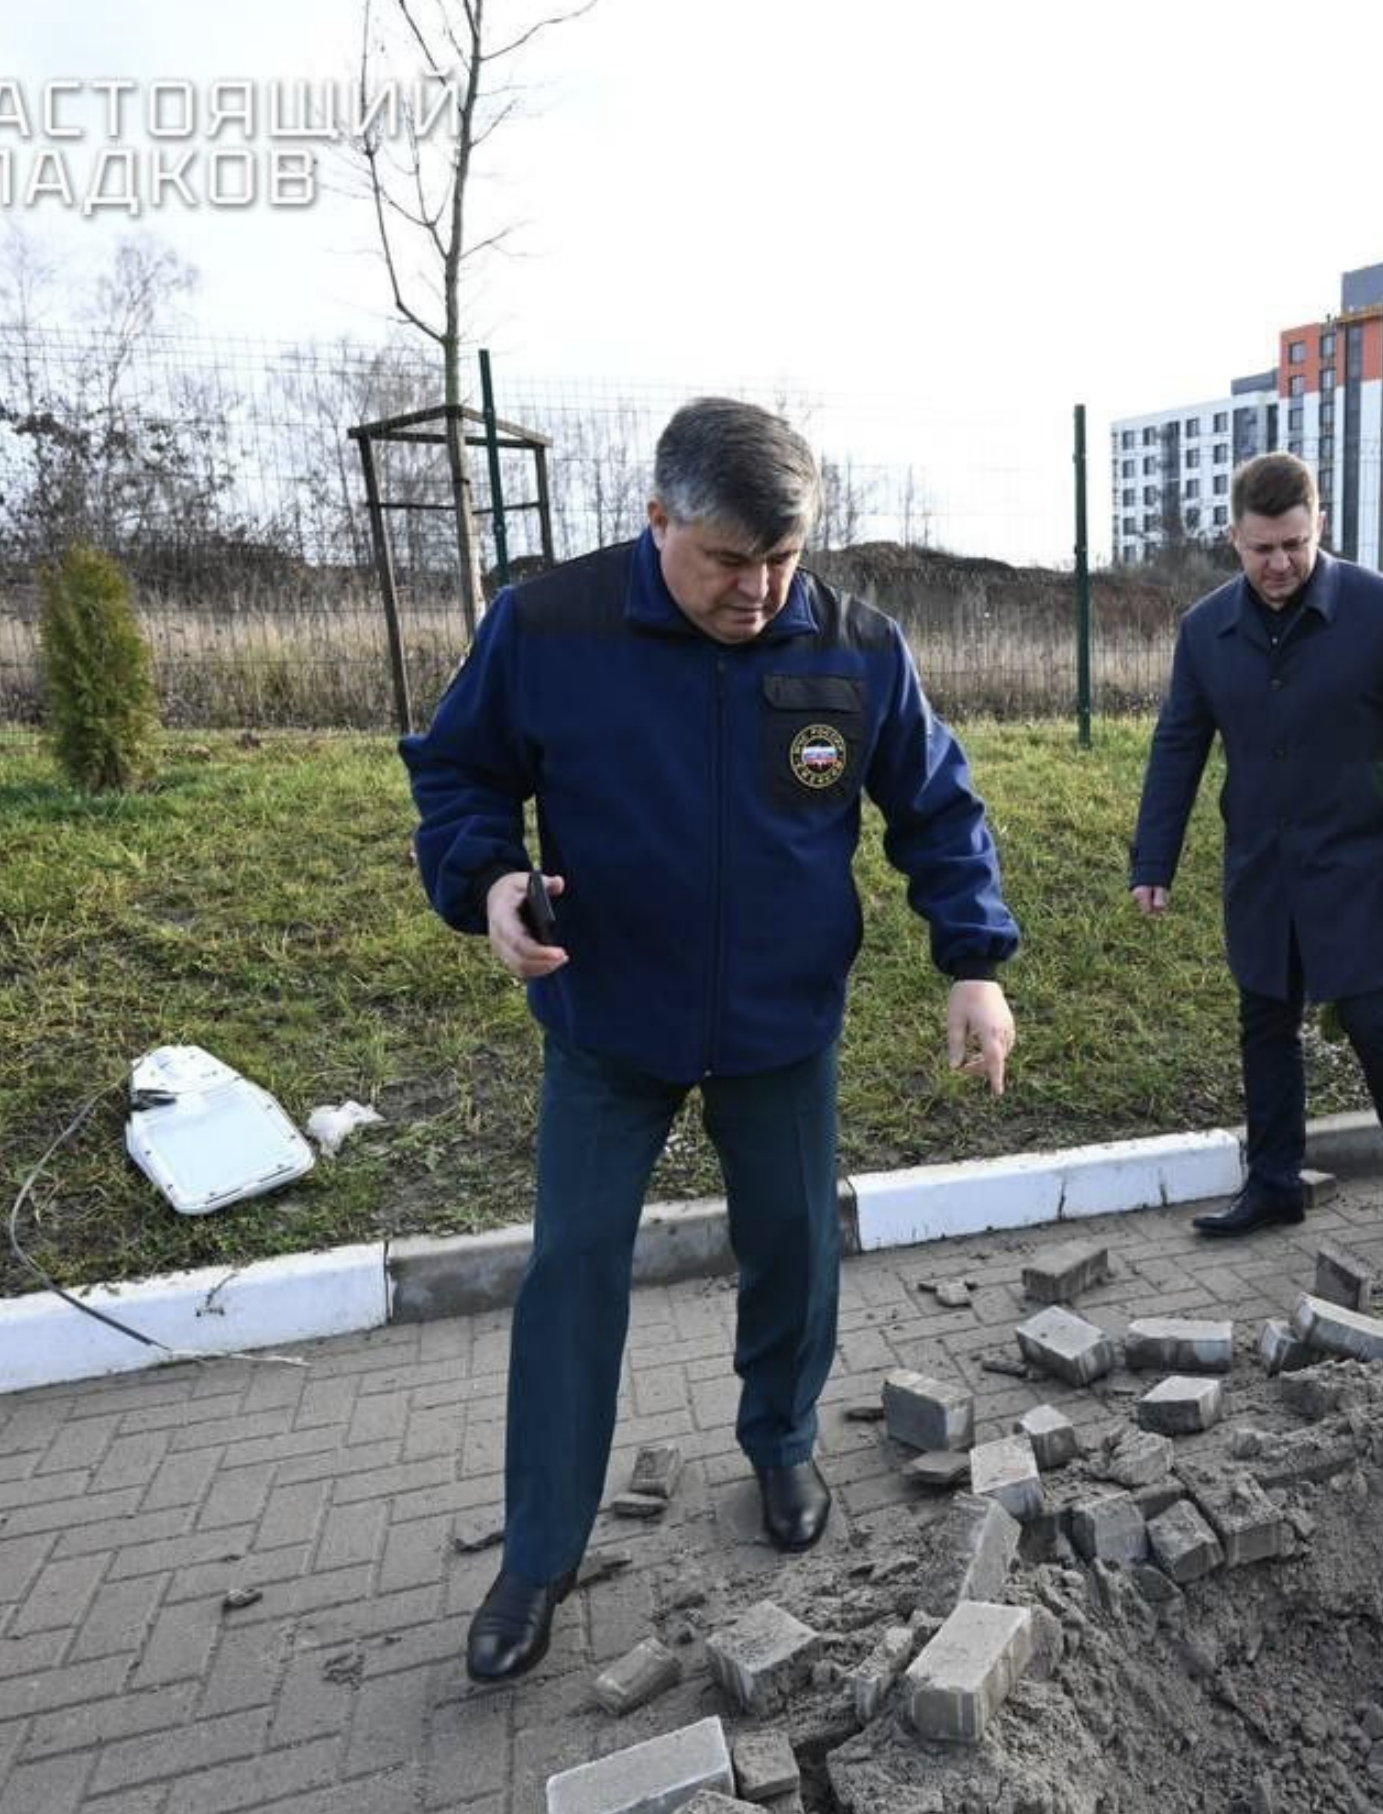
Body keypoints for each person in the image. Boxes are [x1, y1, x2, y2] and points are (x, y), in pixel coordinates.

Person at [402, 398, 1020, 1683]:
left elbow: (936, 806)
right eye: (727, 561)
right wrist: (489, 879)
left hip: (778, 1020)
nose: (756, 591)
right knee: (573, 1267)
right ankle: (540, 1550)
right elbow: (457, 772)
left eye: (780, 560)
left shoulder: (855, 648)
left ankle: (781, 1440)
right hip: (607, 1016)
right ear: (657, 519)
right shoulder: (549, 625)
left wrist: (972, 962)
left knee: (793, 1240)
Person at [1129, 452, 1383, 1237]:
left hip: (1364, 854)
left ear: (1320, 526)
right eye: (1260, 549)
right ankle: (1274, 1182)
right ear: (1233, 540)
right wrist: (1154, 860)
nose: (1278, 564)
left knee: (1374, 1013)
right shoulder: (1207, 630)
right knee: (1266, 1019)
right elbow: (1178, 745)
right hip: (1263, 861)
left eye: (1293, 545)